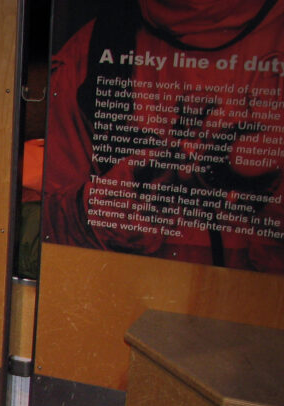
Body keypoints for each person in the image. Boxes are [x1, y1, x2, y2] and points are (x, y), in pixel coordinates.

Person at [44, 0, 284, 273]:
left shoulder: (96, 46)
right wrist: (104, 210)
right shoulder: (100, 44)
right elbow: (42, 232)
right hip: (128, 292)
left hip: (250, 296)